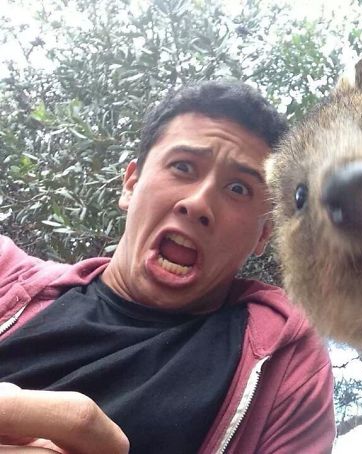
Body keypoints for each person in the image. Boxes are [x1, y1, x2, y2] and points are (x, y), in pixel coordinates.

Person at [0, 80, 336, 453]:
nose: (198, 203)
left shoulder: (287, 362)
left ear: (263, 235)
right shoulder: (6, 273)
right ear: (131, 184)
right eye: (183, 166)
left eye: (239, 188)